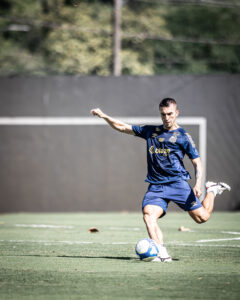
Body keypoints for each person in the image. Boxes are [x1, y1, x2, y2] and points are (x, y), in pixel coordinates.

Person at [91, 98, 231, 262]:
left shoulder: (183, 136)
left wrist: (198, 184)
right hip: (156, 186)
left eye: (170, 114)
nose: (166, 117)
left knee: (202, 218)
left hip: (178, 184)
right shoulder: (151, 131)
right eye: (163, 114)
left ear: (176, 113)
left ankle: (212, 190)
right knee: (148, 216)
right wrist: (103, 116)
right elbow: (122, 127)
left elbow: (197, 162)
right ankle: (161, 251)